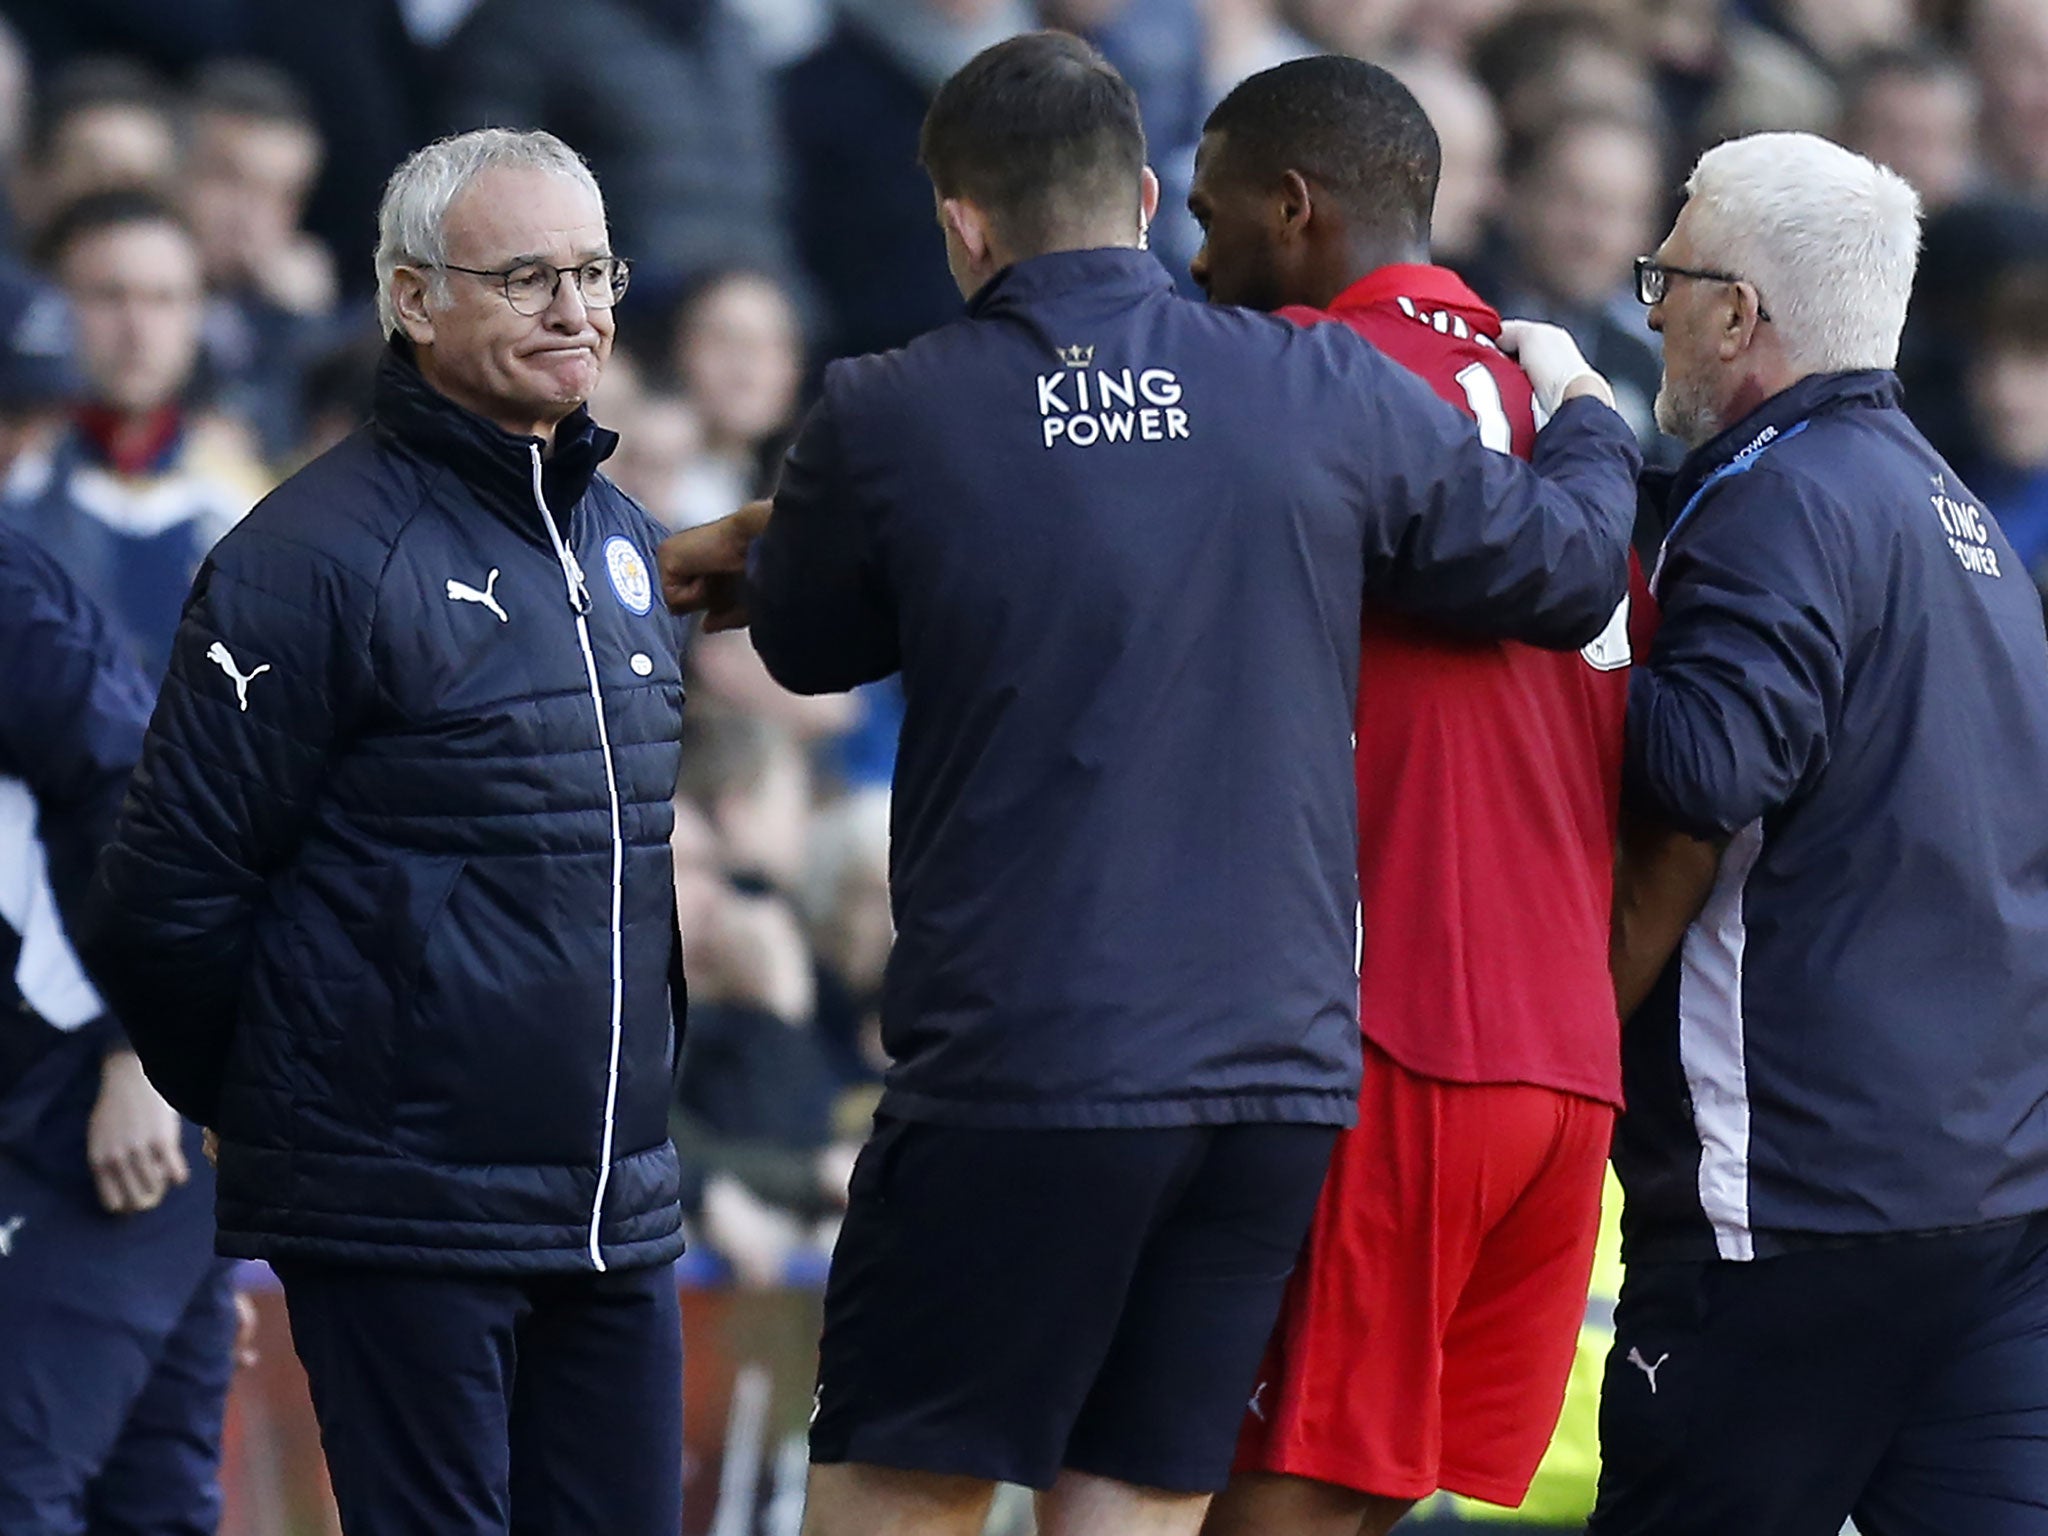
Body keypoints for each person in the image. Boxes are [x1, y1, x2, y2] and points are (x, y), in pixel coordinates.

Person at [662, 32, 1641, 1536]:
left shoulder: (888, 410)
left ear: (961, 222)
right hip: (1271, 1080)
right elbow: (1567, 568)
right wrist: (1581, 415)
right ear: (1135, 191)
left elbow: (802, 641)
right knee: (1133, 1497)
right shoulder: (1311, 382)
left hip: (1023, 1063)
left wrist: (785, 536)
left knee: (903, 1482)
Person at [78, 127, 690, 1536]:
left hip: (619, 1208)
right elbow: (162, 899)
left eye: (595, 272)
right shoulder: (305, 560)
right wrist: (285, 1107)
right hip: (399, 1209)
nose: (578, 310)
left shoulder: (623, 542)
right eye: (528, 276)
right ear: (413, 299)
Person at [1182, 57, 1634, 1536]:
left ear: (1294, 208)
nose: (1197, 258)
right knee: (1359, 1499)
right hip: (1563, 1072)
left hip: (1391, 1039)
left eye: (1212, 215)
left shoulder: (1290, 383)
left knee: (1278, 1498)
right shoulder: (1563, 422)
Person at [1602, 131, 2048, 1536]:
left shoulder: (1778, 500)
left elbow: (1704, 760)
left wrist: (1584, 621)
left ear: (1740, 312)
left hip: (1789, 1210)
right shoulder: (1953, 511)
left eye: (1664, 275)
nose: (1653, 305)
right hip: (1990, 1205)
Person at [0, 523, 242, 1535]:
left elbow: (144, 786)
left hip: (104, 1091)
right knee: (142, 1498)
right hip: (73, 1097)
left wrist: (139, 1052)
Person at [4, 188, 268, 681]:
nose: (137, 328)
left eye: (164, 299)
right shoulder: (14, 480)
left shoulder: (247, 505)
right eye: (108, 296)